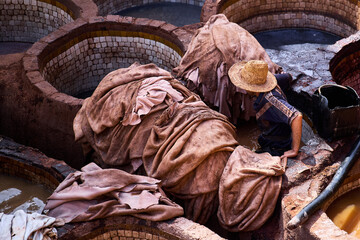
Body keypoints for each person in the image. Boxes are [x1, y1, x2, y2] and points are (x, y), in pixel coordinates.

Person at [228, 60, 303, 158]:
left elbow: (297, 116)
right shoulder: (272, 80)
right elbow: (288, 77)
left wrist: (294, 150)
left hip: (278, 146)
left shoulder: (271, 100)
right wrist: (289, 76)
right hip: (269, 134)